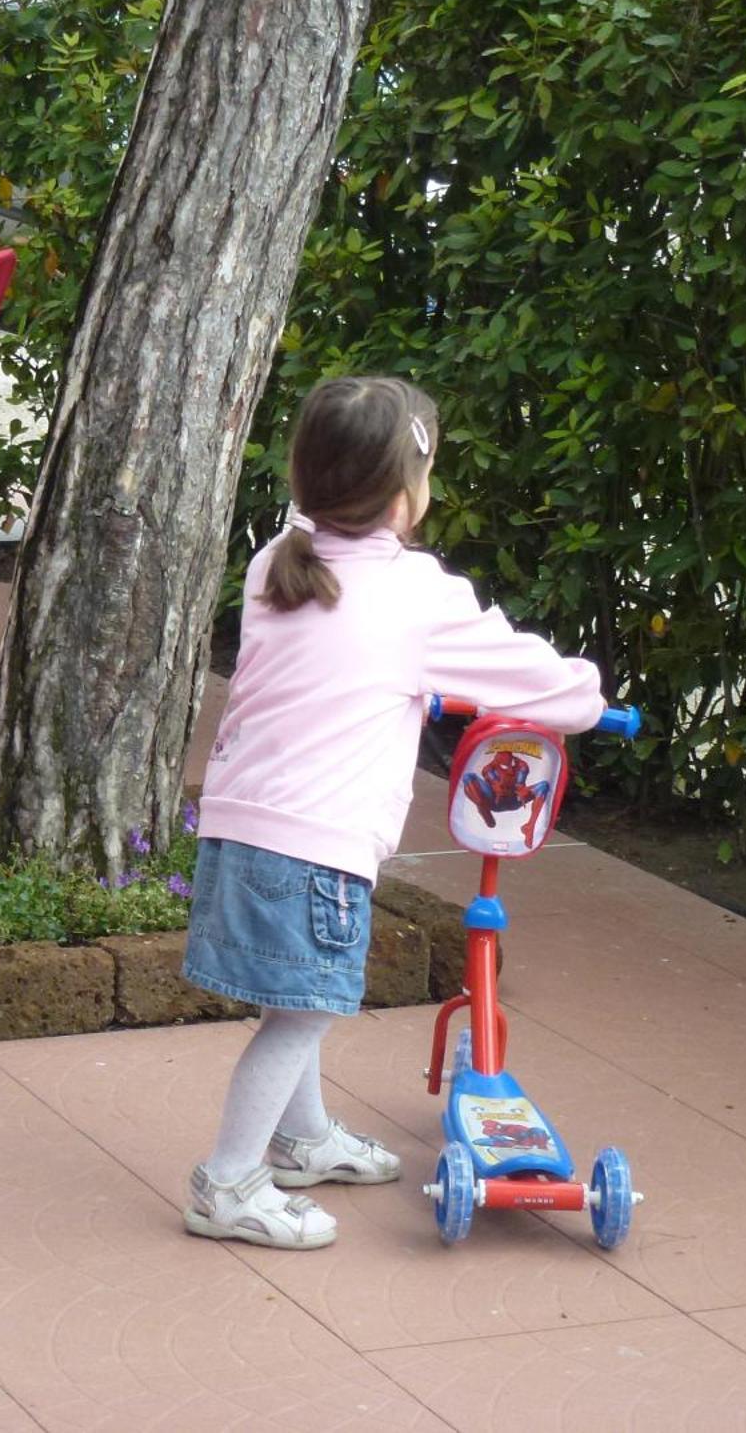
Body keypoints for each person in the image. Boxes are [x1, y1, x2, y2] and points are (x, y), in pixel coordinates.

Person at [183, 376, 607, 1248]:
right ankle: (227, 1183)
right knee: (305, 1012)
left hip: (239, 821)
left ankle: (300, 1140)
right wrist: (592, 696)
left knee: (297, 1002)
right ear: (408, 496)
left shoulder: (276, 562)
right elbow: (537, 681)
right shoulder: (418, 595)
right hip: (316, 842)